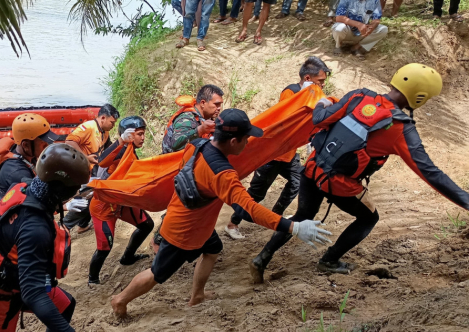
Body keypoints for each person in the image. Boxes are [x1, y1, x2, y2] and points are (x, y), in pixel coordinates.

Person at [249, 63, 469, 284]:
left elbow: (320, 119)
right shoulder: (401, 128)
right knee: (368, 218)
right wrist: (465, 201)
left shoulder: (360, 95)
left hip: (312, 168)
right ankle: (329, 260)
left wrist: (323, 103)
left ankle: (262, 258)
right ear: (419, 97)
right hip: (338, 184)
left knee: (302, 216)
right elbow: (430, 173)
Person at [111, 109, 332, 317]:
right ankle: (120, 300)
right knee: (157, 273)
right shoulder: (222, 174)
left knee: (214, 248)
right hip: (184, 230)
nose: (248, 143)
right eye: (246, 139)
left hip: (198, 222)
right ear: (234, 141)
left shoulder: (197, 145)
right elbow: (250, 208)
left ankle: (197, 295)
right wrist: (293, 226)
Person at [0, 144, 109, 332]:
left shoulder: (24, 187)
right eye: (74, 190)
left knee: (64, 304)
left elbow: (37, 202)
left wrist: (65, 204)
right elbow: (33, 292)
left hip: (11, 282)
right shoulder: (35, 229)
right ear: (62, 190)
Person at [225, 57, 332, 239]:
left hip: (290, 154)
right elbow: (287, 118)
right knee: (256, 194)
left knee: (296, 183)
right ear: (308, 78)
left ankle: (277, 216)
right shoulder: (291, 93)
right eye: (320, 81)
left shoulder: (312, 95)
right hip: (273, 155)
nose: (322, 85)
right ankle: (232, 224)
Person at [153, 84, 224, 252]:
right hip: (175, 172)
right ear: (203, 102)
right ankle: (159, 242)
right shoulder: (187, 119)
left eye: (220, 104)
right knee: (180, 207)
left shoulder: (205, 119)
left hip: (188, 170)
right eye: (216, 104)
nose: (219, 108)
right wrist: (200, 130)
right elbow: (177, 144)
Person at [88, 116, 154, 284]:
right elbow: (102, 162)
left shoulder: (131, 150)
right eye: (139, 134)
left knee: (146, 225)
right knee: (104, 248)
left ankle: (127, 257)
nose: (143, 137)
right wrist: (120, 141)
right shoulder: (122, 150)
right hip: (104, 206)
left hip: (121, 202)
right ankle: (93, 279)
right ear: (129, 135)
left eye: (143, 133)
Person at [64, 104, 120, 234]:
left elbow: (107, 147)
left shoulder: (104, 131)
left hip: (94, 169)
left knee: (95, 195)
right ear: (103, 118)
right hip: (81, 168)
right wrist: (86, 157)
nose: (113, 125)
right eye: (112, 122)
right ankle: (65, 225)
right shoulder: (88, 128)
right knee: (85, 198)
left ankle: (82, 225)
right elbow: (69, 142)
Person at [0, 114, 58, 207]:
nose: (47, 148)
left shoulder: (25, 154)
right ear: (25, 145)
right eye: (43, 145)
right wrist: (63, 206)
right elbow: (37, 203)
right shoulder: (16, 172)